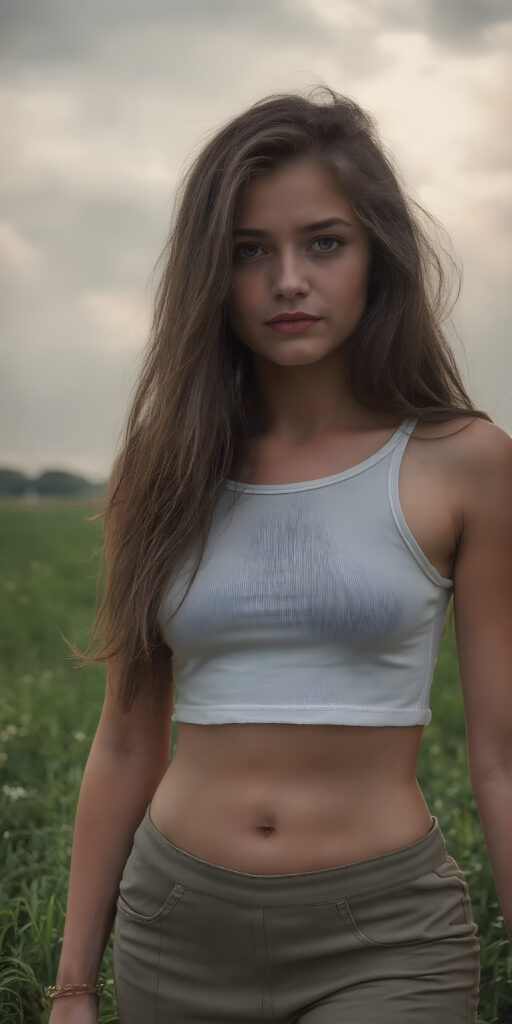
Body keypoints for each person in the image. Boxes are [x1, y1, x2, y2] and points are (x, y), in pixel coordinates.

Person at [47, 86, 512, 1024]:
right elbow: (129, 738)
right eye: (248, 252)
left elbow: (504, 757)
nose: (287, 280)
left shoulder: (465, 462)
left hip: (386, 941)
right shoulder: (164, 467)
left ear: (378, 257)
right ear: (208, 277)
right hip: (175, 927)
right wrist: (71, 989)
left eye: (323, 243)